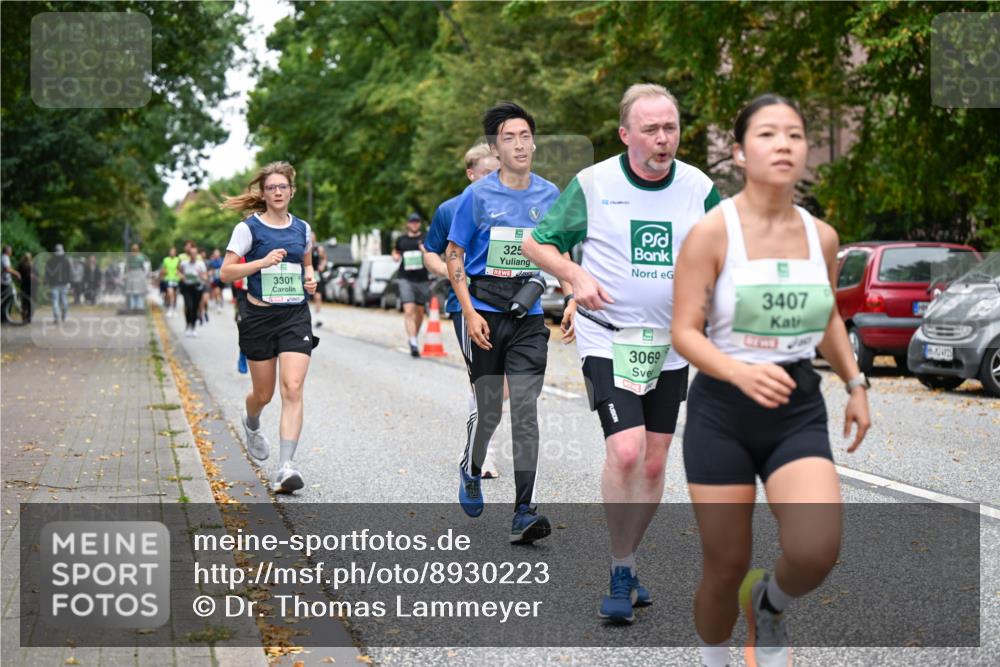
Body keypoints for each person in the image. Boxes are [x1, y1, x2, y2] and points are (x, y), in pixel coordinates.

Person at [671, 94, 871, 667]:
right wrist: (739, 371)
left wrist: (856, 384)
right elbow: (684, 331)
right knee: (724, 563)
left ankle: (769, 603)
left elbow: (827, 315)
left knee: (815, 549)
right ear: (738, 151)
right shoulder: (711, 232)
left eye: (794, 134)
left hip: (795, 409)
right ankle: (715, 660)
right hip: (722, 410)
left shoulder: (822, 237)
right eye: (767, 134)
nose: (783, 144)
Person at [524, 83, 721, 623]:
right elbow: (536, 243)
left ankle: (629, 561)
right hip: (607, 335)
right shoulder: (594, 184)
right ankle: (618, 567)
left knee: (656, 459)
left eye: (671, 128)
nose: (664, 139)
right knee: (628, 451)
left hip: (670, 344)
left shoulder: (699, 188)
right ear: (625, 134)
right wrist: (572, 274)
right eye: (652, 129)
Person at [445, 101, 567, 544]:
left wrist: (571, 296)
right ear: (496, 148)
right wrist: (470, 311)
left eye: (524, 135)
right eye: (508, 138)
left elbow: (559, 250)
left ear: (534, 141)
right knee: (491, 409)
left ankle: (523, 510)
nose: (518, 144)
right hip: (483, 312)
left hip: (529, 316)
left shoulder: (550, 194)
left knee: (527, 410)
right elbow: (454, 255)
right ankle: (471, 467)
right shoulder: (476, 197)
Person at [220, 161, 319, 494]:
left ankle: (285, 466)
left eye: (283, 187)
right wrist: (261, 263)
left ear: (292, 191)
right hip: (259, 317)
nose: (278, 192)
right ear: (263, 194)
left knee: (292, 388)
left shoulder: (303, 229)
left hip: (294, 316)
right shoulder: (248, 229)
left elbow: (307, 265)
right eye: (271, 188)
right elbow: (226, 273)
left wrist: (310, 280)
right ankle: (251, 423)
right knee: (264, 393)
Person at [424, 143, 502, 477]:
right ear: (471, 174)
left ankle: (479, 438)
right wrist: (453, 273)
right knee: (484, 381)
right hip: (466, 306)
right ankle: (484, 451)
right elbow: (430, 252)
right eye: (487, 173)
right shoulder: (450, 209)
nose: (494, 179)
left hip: (508, 304)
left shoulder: (511, 207)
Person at [393, 212, 430, 356]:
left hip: (421, 278)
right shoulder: (401, 239)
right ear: (408, 224)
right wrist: (395, 256)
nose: (414, 224)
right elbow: (395, 252)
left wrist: (424, 250)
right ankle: (413, 341)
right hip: (405, 278)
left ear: (419, 224)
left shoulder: (425, 238)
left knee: (420, 312)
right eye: (412, 222)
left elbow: (433, 253)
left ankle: (413, 336)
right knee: (409, 310)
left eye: (417, 222)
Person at [179, 244, 207, 336]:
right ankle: (188, 325)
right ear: (189, 254)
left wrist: (201, 275)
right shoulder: (184, 263)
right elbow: (179, 271)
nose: (193, 255)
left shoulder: (201, 264)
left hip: (197, 288)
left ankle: (193, 327)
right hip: (187, 288)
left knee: (195, 308)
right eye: (191, 253)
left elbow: (205, 277)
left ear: (197, 254)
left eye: (195, 253)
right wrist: (182, 277)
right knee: (189, 306)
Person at [44, 244, 72, 323]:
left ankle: (57, 316)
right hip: (61, 284)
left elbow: (47, 273)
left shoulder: (50, 261)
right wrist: (70, 282)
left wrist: (46, 282)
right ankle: (62, 315)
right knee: (62, 300)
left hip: (56, 284)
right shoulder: (66, 260)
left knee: (56, 301)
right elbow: (69, 273)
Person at [124, 244, 148, 312]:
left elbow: (127, 267)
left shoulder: (129, 257)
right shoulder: (141, 257)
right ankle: (138, 307)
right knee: (138, 292)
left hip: (132, 273)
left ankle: (134, 307)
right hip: (138, 273)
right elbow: (143, 267)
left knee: (133, 292)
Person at [309, 232, 326, 328]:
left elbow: (324, 259)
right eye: (309, 237)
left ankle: (318, 317)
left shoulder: (318, 249)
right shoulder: (303, 248)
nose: (311, 239)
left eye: (313, 237)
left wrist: (322, 265)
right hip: (305, 275)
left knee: (318, 297)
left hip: (316, 274)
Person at [160, 246, 181, 317]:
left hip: (176, 279)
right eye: (171, 251)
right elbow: (163, 269)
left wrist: (180, 274)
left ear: (175, 253)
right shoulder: (166, 259)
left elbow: (180, 269)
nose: (172, 253)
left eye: (173, 251)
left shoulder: (178, 260)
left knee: (175, 295)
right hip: (168, 279)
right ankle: (170, 309)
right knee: (170, 294)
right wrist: (162, 274)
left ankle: (174, 309)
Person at [1, 245, 19, 324]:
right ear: (7, 251)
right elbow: (7, 268)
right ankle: (5, 318)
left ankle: (4, 317)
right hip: (5, 282)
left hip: (5, 281)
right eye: (10, 250)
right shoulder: (5, 257)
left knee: (5, 299)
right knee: (8, 298)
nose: (11, 252)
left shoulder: (3, 257)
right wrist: (16, 273)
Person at [18, 252, 36, 323]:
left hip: (24, 285)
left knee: (24, 302)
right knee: (29, 302)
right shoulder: (31, 264)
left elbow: (19, 274)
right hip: (30, 285)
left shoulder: (21, 264)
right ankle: (28, 317)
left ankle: (25, 317)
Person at [208, 248, 225, 312]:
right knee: (216, 292)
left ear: (219, 254)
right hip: (215, 279)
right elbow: (209, 270)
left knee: (220, 292)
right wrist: (210, 272)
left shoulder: (223, 260)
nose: (216, 254)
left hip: (222, 279)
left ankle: (220, 302)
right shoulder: (211, 261)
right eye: (215, 253)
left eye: (217, 253)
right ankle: (218, 305)